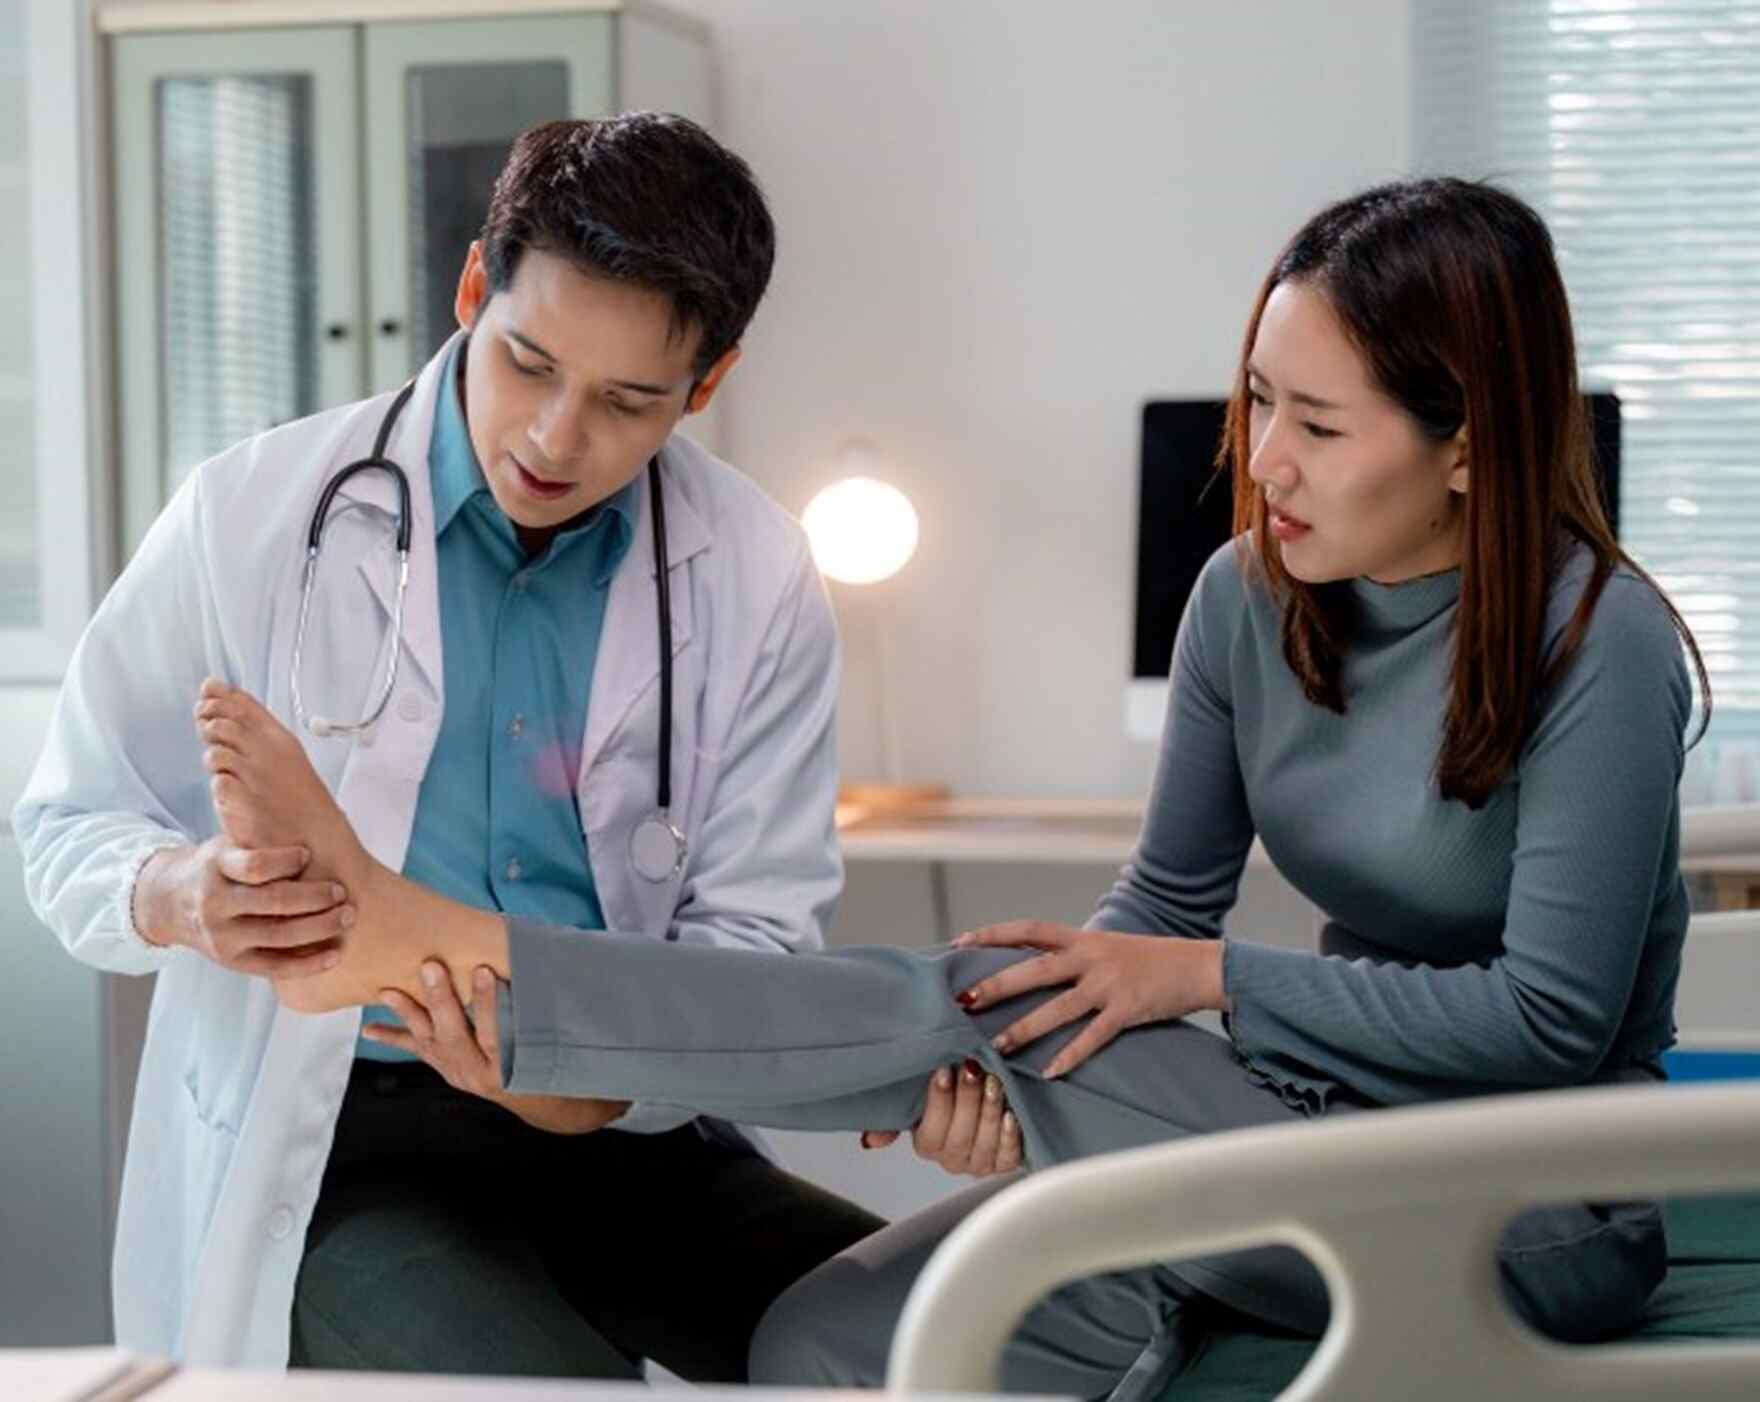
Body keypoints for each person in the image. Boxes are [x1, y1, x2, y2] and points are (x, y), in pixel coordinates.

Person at [188, 176, 1709, 1399]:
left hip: (1519, 1193)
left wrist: (1189, 984)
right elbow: (1153, 913)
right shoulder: (1250, 598)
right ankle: (514, 984)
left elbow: (1544, 1023)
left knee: (982, 990)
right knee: (835, 1344)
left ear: (1467, 450)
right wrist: (1042, 1084)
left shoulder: (1603, 642)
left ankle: (456, 960)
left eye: (1319, 427)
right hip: (1284, 1130)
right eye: (1258, 402)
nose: (1266, 461)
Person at [8, 112, 981, 1379]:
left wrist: (577, 1083)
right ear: (473, 287)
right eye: (527, 363)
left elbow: (753, 953)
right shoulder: (253, 513)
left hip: (629, 1122)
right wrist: (181, 894)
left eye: (630, 402)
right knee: (533, 1387)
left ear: (710, 381)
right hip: (354, 1140)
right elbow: (68, 819)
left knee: (963, 1341)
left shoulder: (753, 569)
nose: (554, 439)